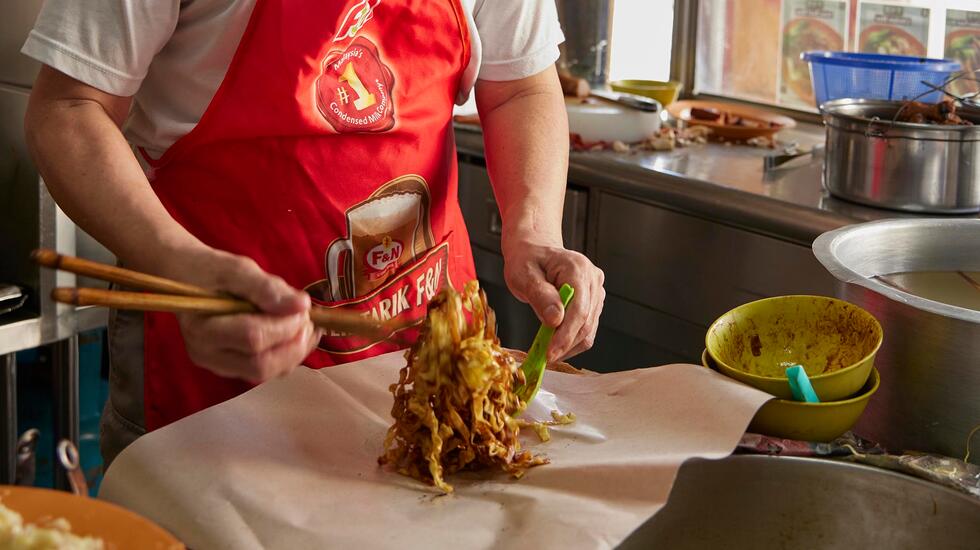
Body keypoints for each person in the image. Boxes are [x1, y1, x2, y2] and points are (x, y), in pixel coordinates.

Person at [22, 0, 605, 467]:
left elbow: (520, 86)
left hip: (428, 340)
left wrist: (532, 230)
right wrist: (179, 263)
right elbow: (69, 107)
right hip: (215, 344)